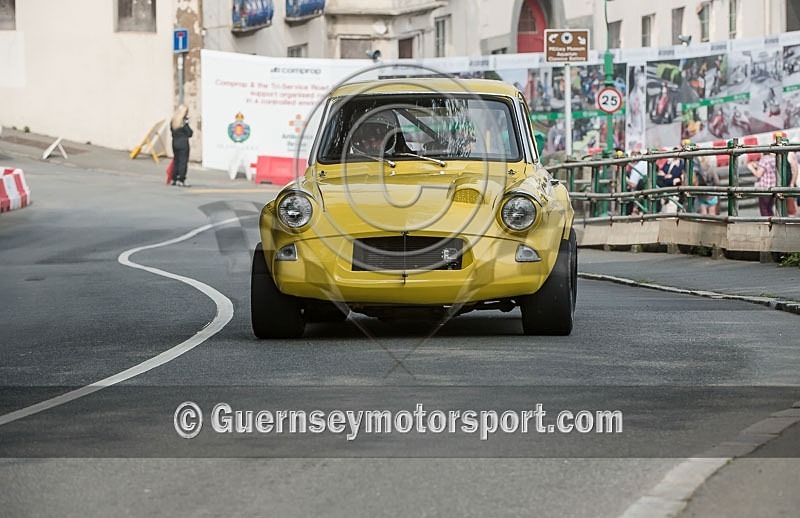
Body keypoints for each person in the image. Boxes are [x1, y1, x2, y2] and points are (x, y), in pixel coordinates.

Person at [170, 105, 193, 187]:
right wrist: (187, 124)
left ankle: (174, 178)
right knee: (183, 161)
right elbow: (190, 133)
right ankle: (181, 179)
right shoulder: (183, 122)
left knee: (176, 160)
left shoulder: (173, 121)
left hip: (175, 142)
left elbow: (172, 131)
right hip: (183, 143)